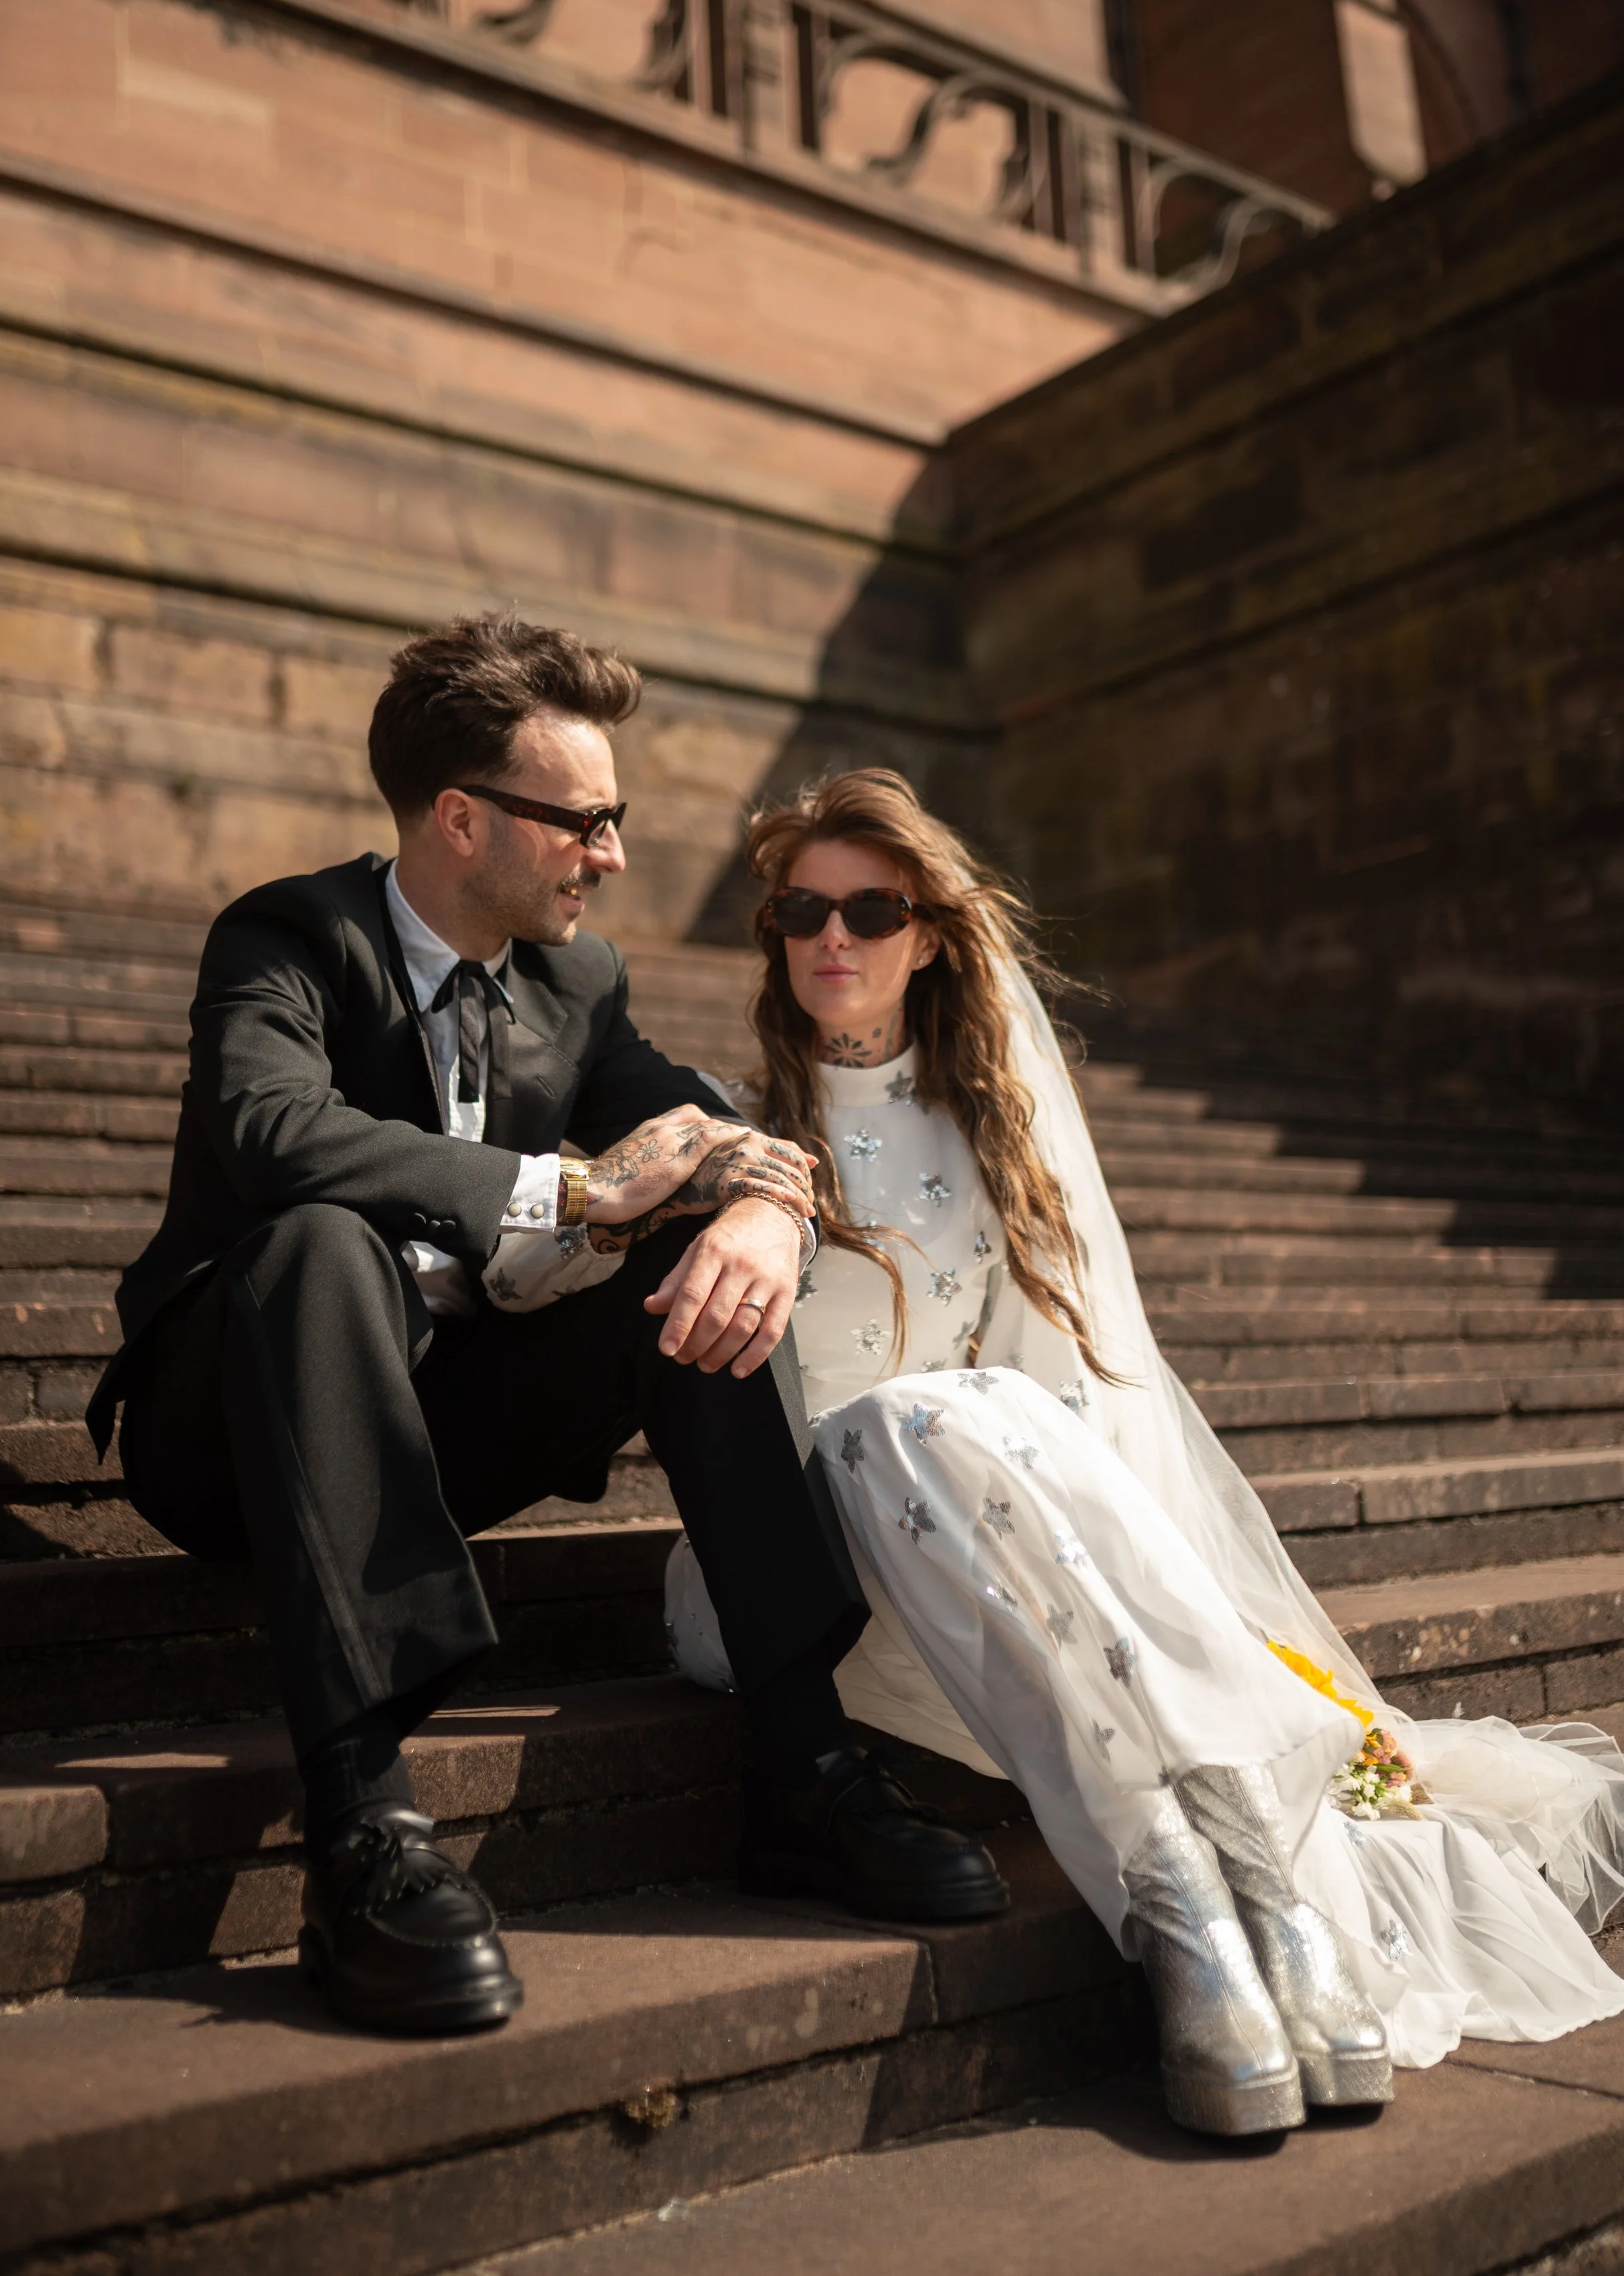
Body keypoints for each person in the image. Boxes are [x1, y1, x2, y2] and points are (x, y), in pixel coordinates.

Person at [652, 769, 1624, 2140]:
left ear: (928, 932)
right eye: (801, 908)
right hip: (788, 1582)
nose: (834, 936)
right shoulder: (731, 1135)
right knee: (903, 1416)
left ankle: (1235, 1899)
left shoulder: (993, 1133)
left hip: (978, 1554)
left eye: (872, 907)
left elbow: (1073, 1413)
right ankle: (1179, 1920)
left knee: (971, 1410)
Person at [86, 626, 1005, 2040]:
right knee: (321, 1236)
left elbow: (716, 1121)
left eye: (614, 820)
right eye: (583, 821)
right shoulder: (289, 937)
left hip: (436, 1427)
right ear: (460, 818)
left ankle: (804, 1767)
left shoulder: (575, 987)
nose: (612, 853)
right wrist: (572, 1185)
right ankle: (363, 1829)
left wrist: (760, 1200)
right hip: (236, 1424)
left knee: (699, 1251)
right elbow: (272, 1130)